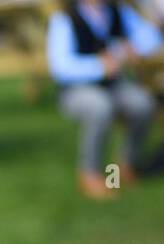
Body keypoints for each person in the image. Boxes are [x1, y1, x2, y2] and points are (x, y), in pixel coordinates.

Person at [47, 0, 162, 198]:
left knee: (143, 104)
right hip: (77, 89)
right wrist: (98, 67)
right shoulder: (64, 19)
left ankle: (125, 165)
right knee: (101, 108)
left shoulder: (118, 11)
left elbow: (152, 38)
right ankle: (90, 174)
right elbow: (60, 67)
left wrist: (133, 47)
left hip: (114, 85)